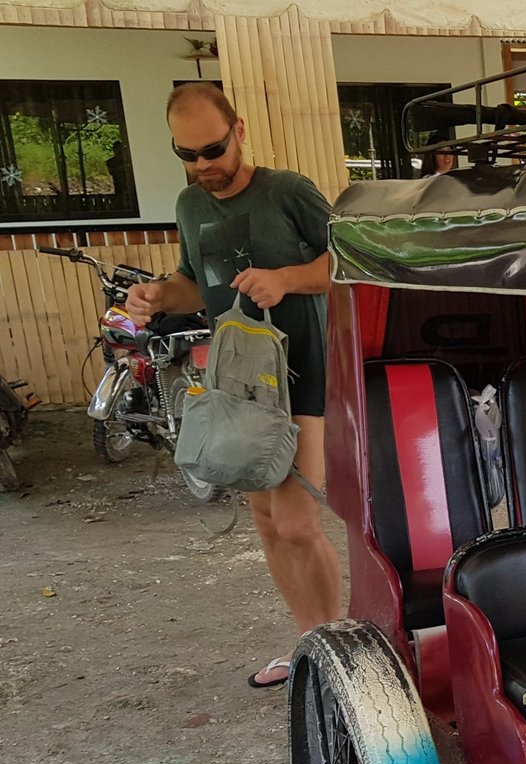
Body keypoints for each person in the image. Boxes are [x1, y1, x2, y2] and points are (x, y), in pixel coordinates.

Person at [124, 83, 341, 689]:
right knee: (269, 522)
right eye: (187, 154)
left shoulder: (288, 191)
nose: (202, 166)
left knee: (298, 522)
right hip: (237, 377)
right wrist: (159, 295)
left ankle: (335, 648)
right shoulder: (191, 205)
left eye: (213, 150)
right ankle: (307, 643)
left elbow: (351, 262)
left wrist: (288, 279)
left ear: (239, 131)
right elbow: (198, 282)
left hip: (304, 373)